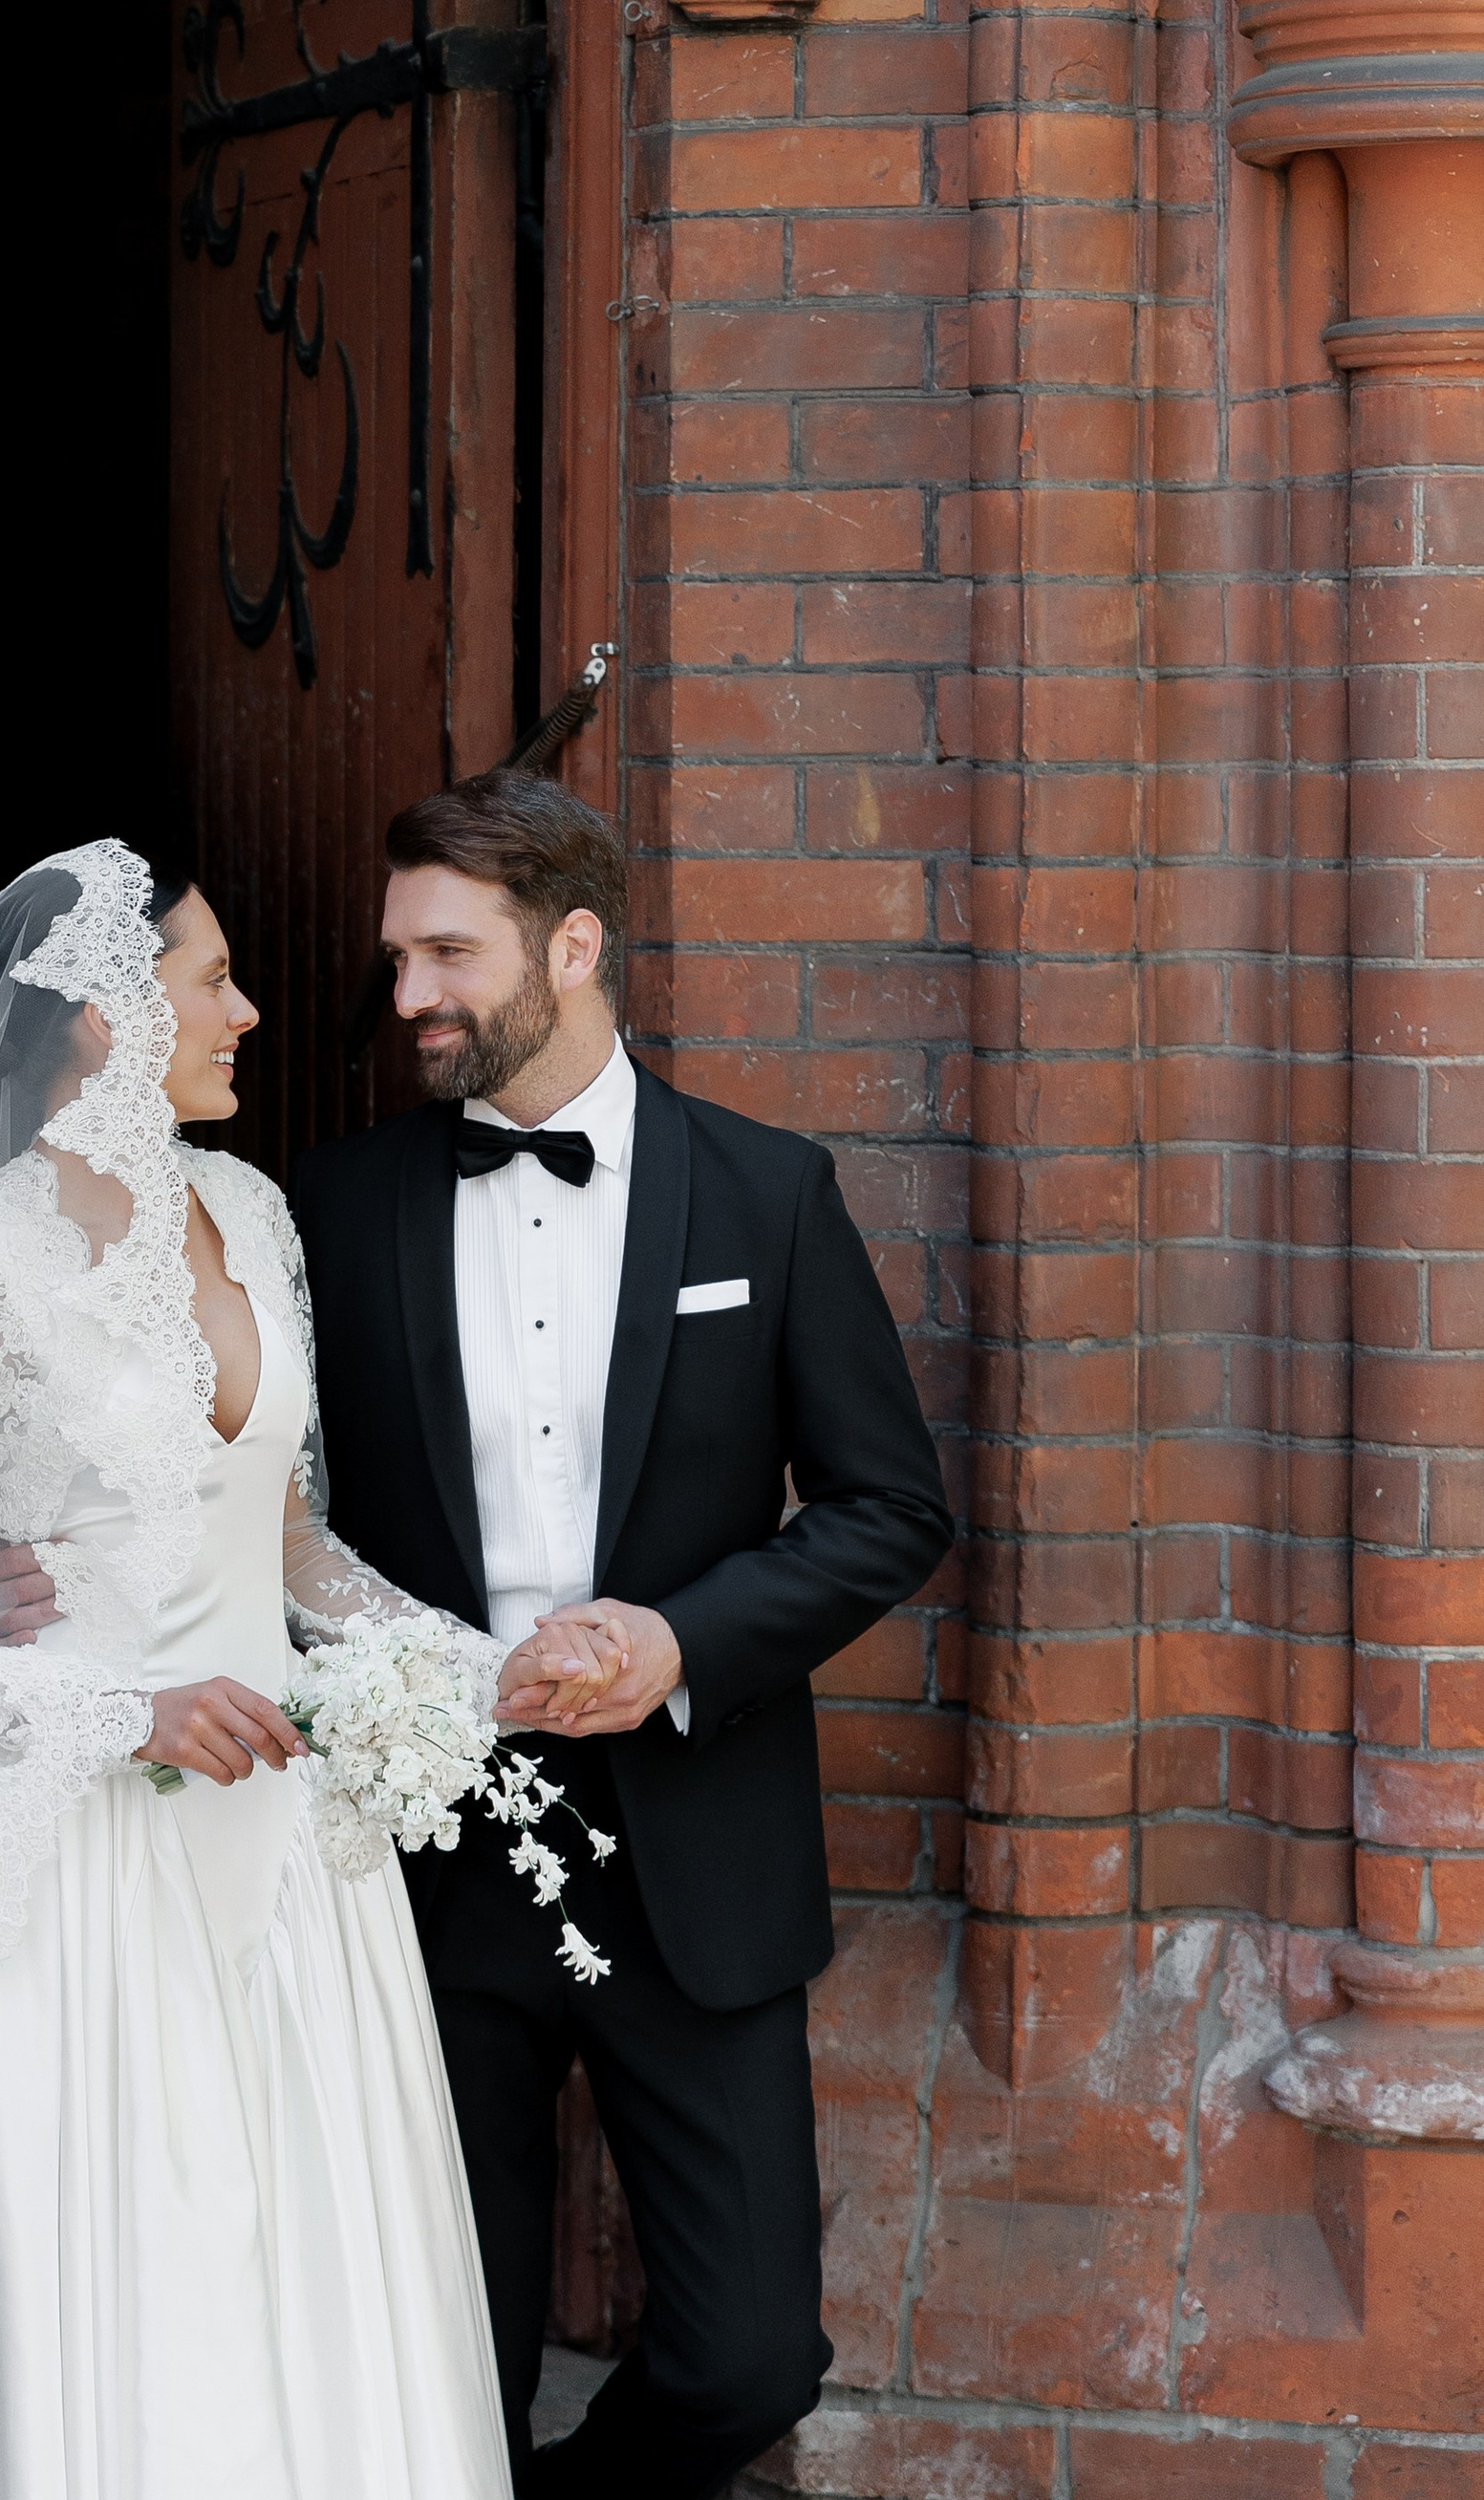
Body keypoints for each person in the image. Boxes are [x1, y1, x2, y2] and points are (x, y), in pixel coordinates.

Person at [0, 840, 589, 2500]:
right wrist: (123, 1713)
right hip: (74, 1874)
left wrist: (477, 1666)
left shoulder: (254, 1212)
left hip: (292, 1865)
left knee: (305, 2278)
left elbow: (293, 1554)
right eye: (208, 977)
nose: (246, 1008)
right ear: (97, 1018)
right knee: (107, 2278)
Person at [292, 771, 955, 2497]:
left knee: (750, 2359)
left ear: (574, 943)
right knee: (448, 2356)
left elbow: (894, 1508)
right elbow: (250, 1506)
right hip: (427, 1854)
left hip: (697, 1851)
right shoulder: (331, 1210)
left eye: (447, 950)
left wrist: (681, 1639)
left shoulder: (768, 1192)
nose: (410, 992)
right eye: (399, 956)